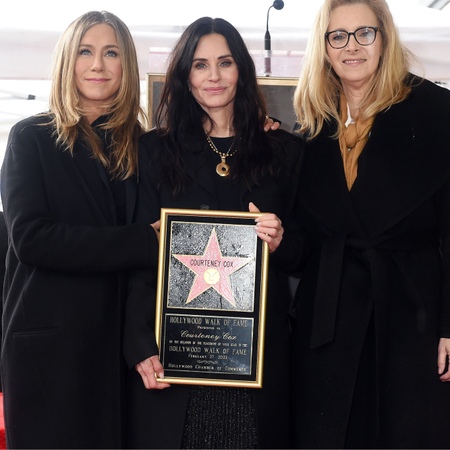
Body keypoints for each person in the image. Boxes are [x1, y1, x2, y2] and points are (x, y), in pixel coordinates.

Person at [123, 17, 304, 449]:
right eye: (201, 65)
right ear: (186, 76)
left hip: (258, 362)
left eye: (225, 62)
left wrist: (281, 241)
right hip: (175, 357)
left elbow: (308, 252)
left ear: (241, 69)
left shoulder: (285, 151)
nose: (214, 76)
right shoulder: (152, 151)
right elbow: (138, 255)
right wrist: (138, 343)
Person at [290, 0, 450, 448]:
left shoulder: (436, 111)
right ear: (323, 47)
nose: (351, 46)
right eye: (337, 36)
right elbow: (303, 241)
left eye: (365, 33)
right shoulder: (311, 123)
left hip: (409, 314)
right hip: (328, 320)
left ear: (385, 37)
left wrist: (449, 325)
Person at [0, 11, 161, 449]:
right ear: (67, 61)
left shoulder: (142, 146)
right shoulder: (31, 137)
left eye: (111, 53)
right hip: (51, 352)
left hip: (119, 352)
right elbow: (32, 239)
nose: (98, 65)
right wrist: (147, 242)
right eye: (85, 52)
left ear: (126, 64)